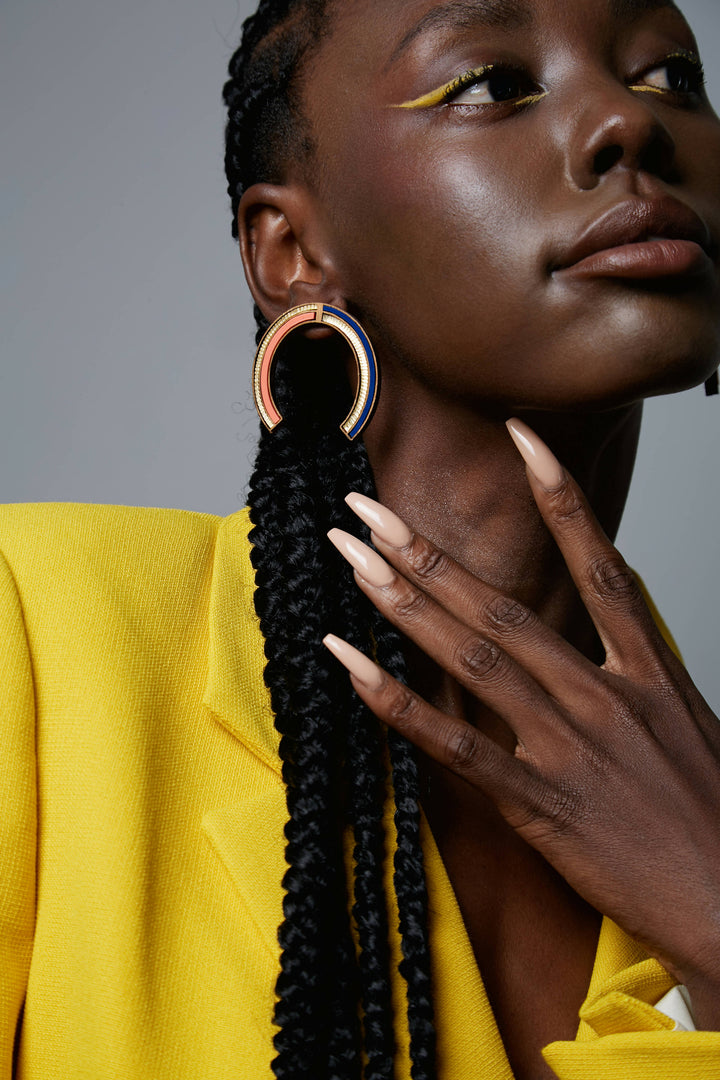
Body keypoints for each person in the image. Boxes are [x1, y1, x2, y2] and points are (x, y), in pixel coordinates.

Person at [2, 0, 720, 1078]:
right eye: (489, 83)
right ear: (293, 252)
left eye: (671, 74)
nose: (630, 125)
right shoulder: (35, 632)